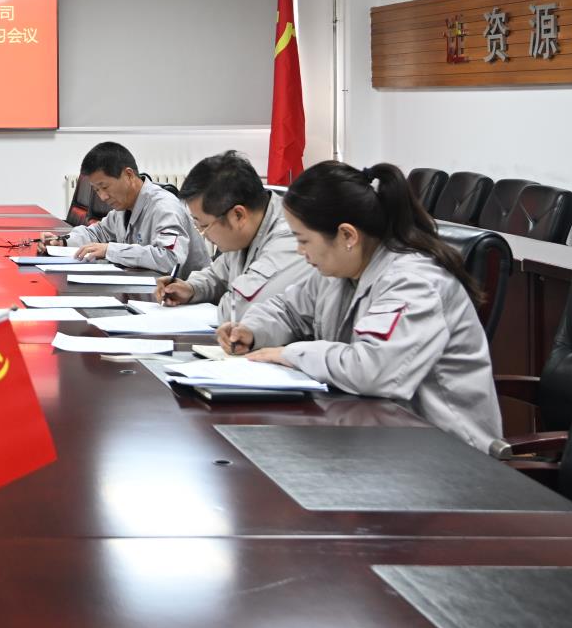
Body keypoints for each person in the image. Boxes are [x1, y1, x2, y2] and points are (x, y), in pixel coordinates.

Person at [214, 160, 503, 450]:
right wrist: (252, 330)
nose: (300, 251)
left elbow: (373, 370)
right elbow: (287, 309)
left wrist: (290, 353)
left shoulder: (414, 283)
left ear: (347, 236)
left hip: (447, 451)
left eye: (304, 240)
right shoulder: (339, 272)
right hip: (379, 436)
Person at [156, 151, 311, 324]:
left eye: (205, 226)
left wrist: (227, 298)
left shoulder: (289, 239)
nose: (204, 235)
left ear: (238, 215)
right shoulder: (245, 232)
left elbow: (240, 310)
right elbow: (218, 275)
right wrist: (191, 288)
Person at [50, 142, 205, 276]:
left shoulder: (164, 207)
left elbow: (170, 259)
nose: (103, 197)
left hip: (190, 296)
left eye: (105, 187)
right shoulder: (122, 208)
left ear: (129, 175)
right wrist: (63, 241)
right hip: (149, 289)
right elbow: (97, 233)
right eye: (97, 190)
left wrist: (110, 250)